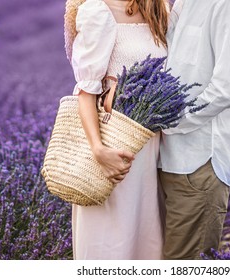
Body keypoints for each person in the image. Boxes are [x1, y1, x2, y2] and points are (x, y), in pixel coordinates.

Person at [65, 0, 168, 259]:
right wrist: (98, 150)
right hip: (113, 147)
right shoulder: (97, 10)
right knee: (110, 244)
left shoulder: (159, 7)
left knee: (148, 243)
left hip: (153, 150)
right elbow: (86, 91)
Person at [159, 0, 230, 259]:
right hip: (168, 158)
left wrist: (166, 120)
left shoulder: (226, 3)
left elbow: (227, 88)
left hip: (200, 161)